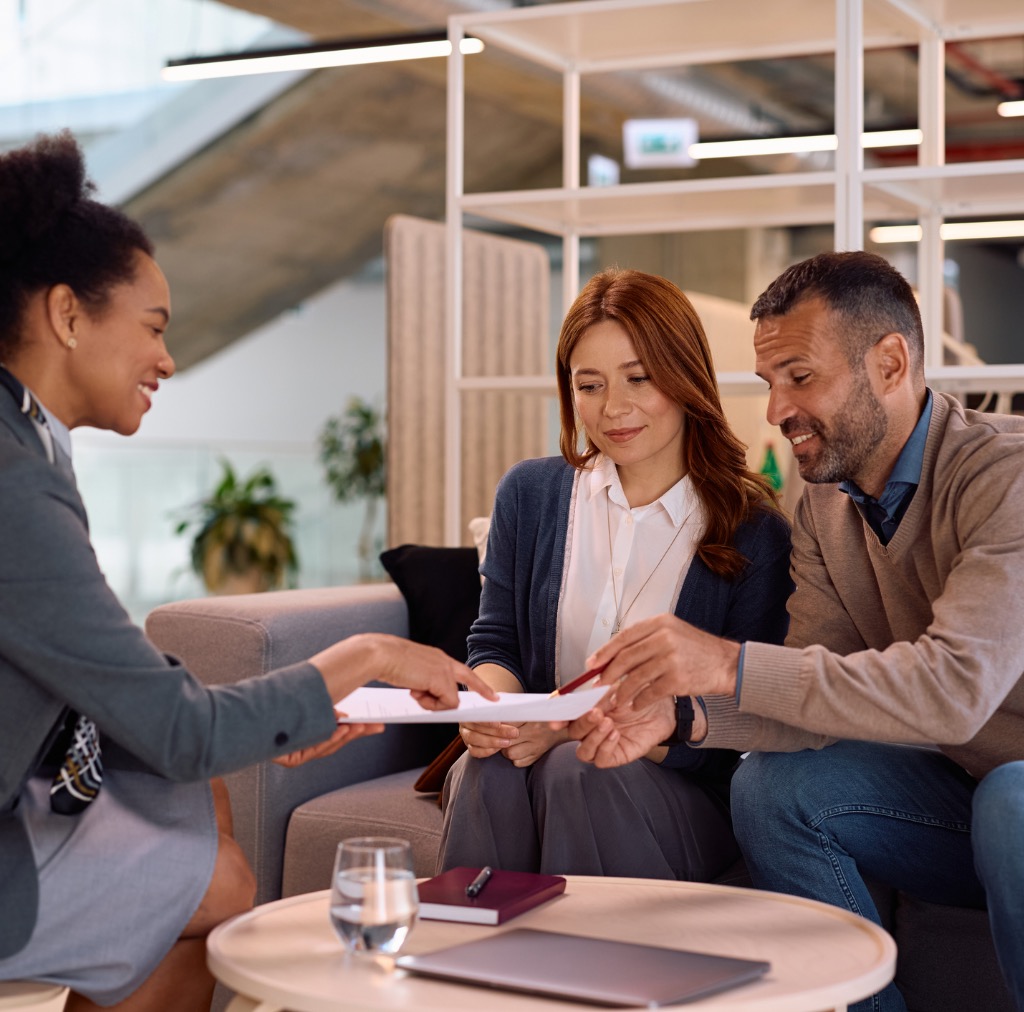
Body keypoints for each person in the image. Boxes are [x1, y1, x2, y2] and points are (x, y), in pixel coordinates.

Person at [0, 131, 495, 1012]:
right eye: (153, 328)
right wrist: (368, 656)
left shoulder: (28, 440)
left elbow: (114, 674)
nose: (168, 359)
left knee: (205, 803)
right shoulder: (12, 482)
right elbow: (175, 728)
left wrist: (266, 714)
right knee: (219, 887)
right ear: (69, 315)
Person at [565, 251, 1024, 1011]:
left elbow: (955, 691)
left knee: (1013, 799)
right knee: (774, 787)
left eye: (800, 377)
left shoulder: (1005, 476)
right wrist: (681, 715)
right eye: (768, 383)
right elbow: (809, 690)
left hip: (1012, 799)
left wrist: (723, 662)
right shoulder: (826, 507)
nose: (776, 409)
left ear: (889, 362)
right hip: (969, 803)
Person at [436, 267, 792, 881]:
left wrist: (573, 733)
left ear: (684, 379)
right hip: (543, 760)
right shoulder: (531, 493)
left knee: (580, 767)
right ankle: (460, 959)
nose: (615, 409)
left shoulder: (752, 528)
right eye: (590, 385)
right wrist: (489, 706)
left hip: (672, 782)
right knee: (484, 764)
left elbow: (742, 718)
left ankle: (587, 971)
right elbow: (495, 645)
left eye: (639, 378)